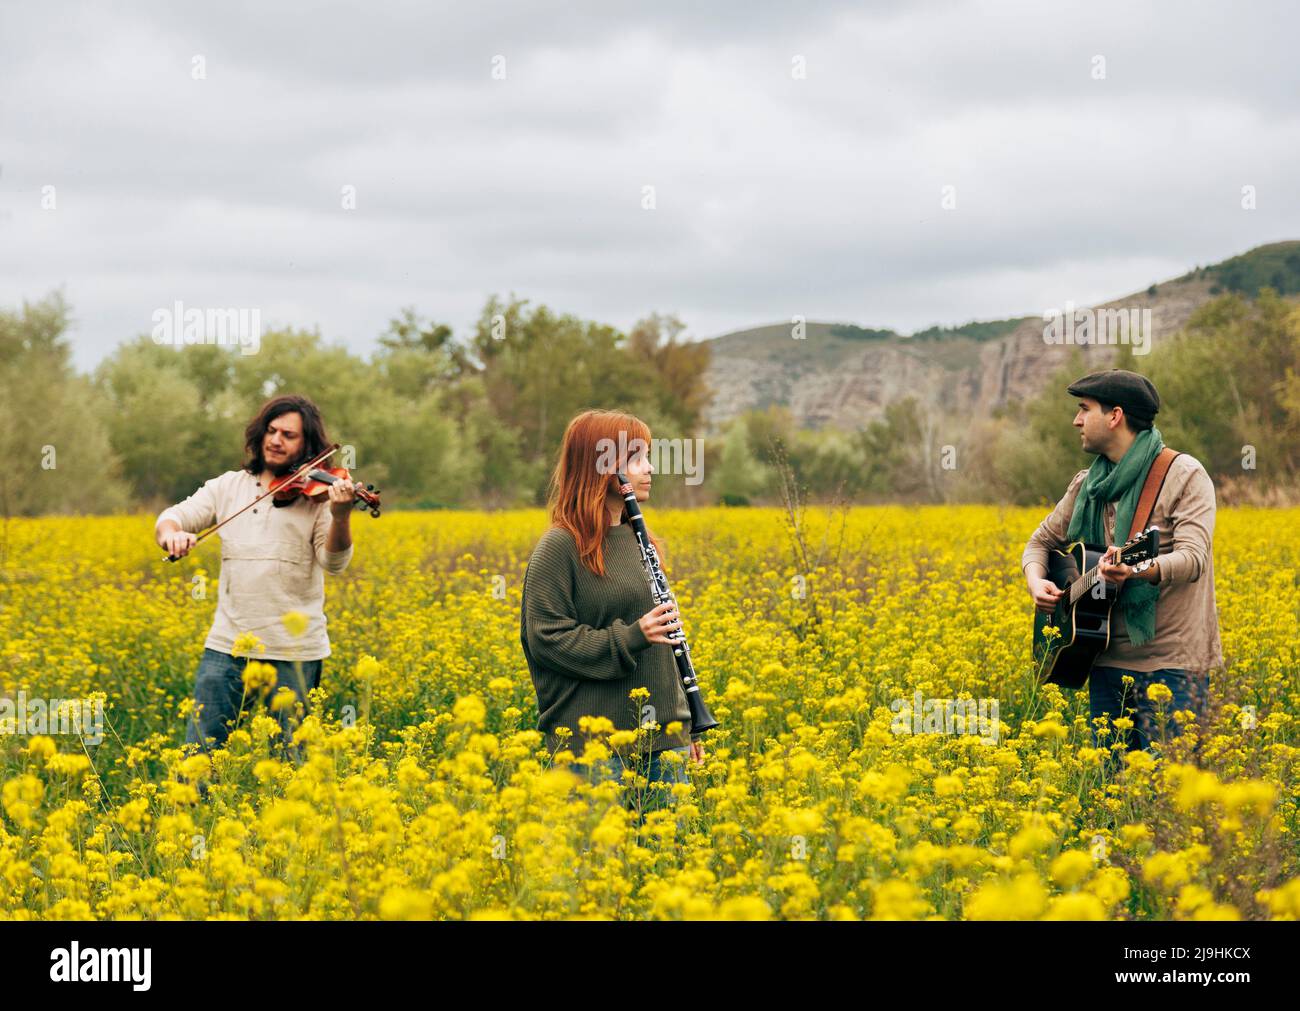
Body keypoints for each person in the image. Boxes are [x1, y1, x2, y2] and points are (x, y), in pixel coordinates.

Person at [1022, 369, 1223, 754]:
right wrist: (1036, 581)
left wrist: (1139, 567)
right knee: (1112, 795)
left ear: (1115, 416)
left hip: (1172, 666)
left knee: (1170, 799)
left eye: (1084, 409)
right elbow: (1040, 542)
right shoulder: (1087, 485)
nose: (1076, 420)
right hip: (1104, 658)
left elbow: (1194, 558)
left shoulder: (1184, 475)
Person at [520, 409, 704, 821]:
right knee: (597, 875)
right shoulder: (560, 547)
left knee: (667, 871)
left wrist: (686, 722)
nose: (650, 468)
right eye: (637, 458)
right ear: (601, 467)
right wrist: (631, 636)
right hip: (592, 747)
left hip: (664, 740)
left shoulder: (642, 541)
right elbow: (546, 640)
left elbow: (666, 647)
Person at [156, 394, 356, 758]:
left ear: (307, 445)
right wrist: (172, 534)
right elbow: (173, 517)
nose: (276, 440)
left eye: (289, 435)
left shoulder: (319, 497)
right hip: (227, 646)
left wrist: (341, 515)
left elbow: (335, 564)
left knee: (289, 764)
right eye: (271, 430)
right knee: (199, 756)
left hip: (294, 652)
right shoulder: (228, 486)